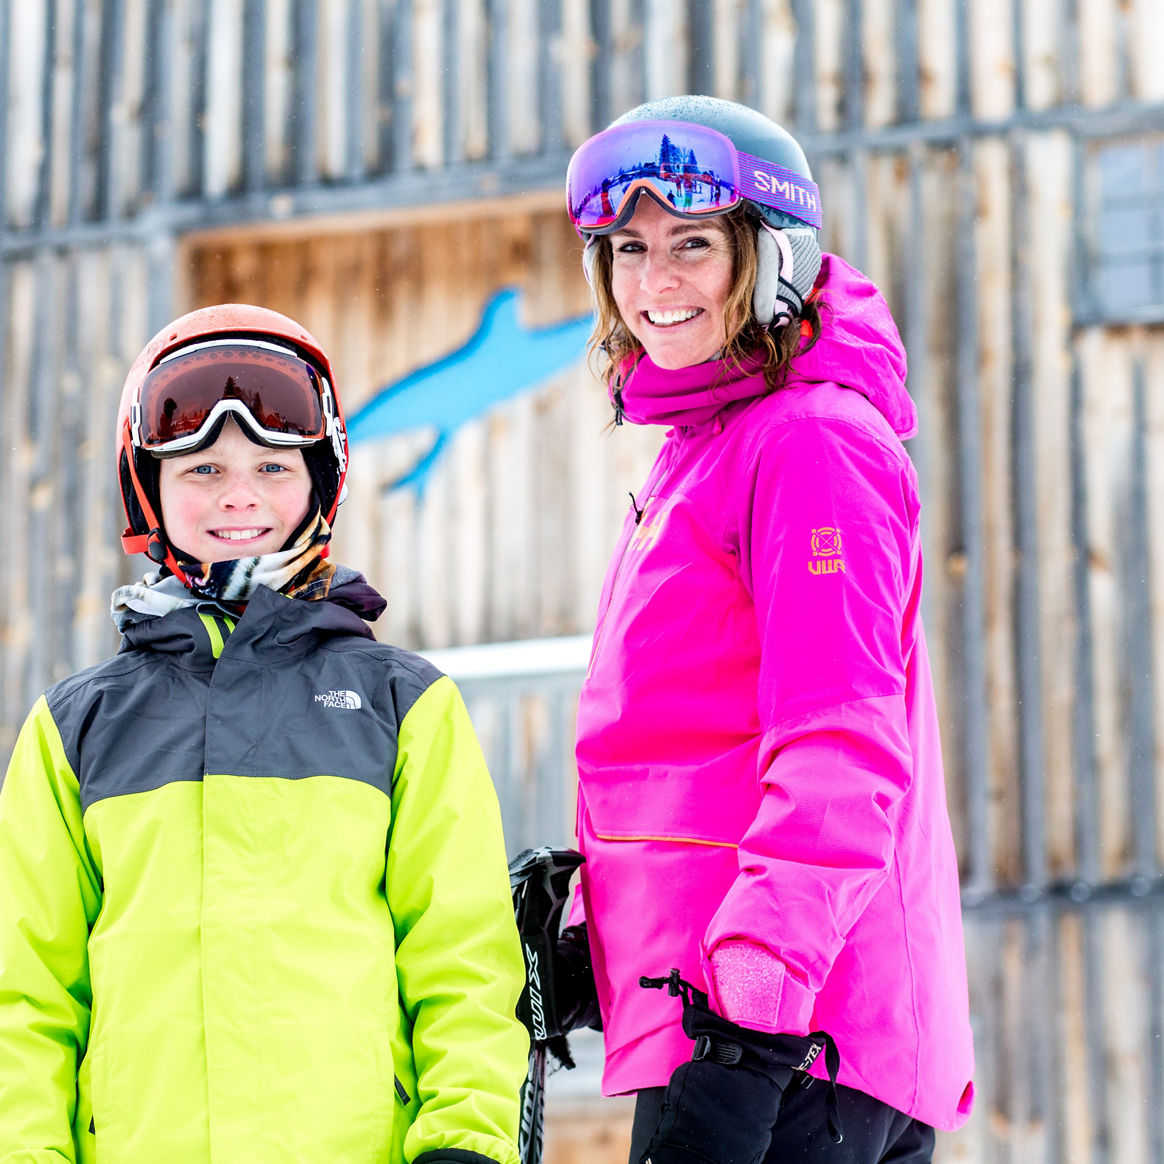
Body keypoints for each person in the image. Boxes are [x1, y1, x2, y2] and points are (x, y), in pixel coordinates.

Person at [0, 304, 529, 1163]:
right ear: (149, 488)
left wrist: (465, 1141)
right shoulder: (76, 728)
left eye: (273, 466)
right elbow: (26, 995)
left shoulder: (404, 705)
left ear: (322, 482)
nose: (238, 494)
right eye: (202, 466)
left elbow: (462, 959)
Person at [552, 95, 976, 1163]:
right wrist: (591, 930)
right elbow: (697, 752)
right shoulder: (713, 445)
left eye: (693, 245)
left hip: (788, 1041)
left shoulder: (807, 445)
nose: (655, 282)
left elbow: (838, 752)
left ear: (769, 258)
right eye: (630, 249)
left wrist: (746, 1022)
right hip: (738, 1025)